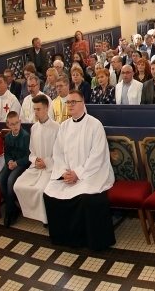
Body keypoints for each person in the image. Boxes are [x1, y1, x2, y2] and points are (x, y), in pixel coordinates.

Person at [43, 90, 116, 251]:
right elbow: (58, 152)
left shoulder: (94, 124)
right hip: (69, 174)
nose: (70, 105)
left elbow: (98, 155)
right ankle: (64, 238)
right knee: (50, 192)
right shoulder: (64, 126)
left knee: (85, 196)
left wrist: (78, 173)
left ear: (82, 103)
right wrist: (64, 172)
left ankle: (85, 239)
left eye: (73, 102)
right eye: (67, 102)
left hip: (92, 173)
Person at [14, 95, 59, 224]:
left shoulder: (56, 128)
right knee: (18, 185)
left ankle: (45, 219)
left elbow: (60, 153)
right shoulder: (34, 128)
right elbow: (32, 152)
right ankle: (31, 213)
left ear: (46, 109)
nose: (36, 112)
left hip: (50, 167)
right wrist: (35, 161)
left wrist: (46, 162)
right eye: (34, 109)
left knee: (40, 190)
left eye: (38, 109)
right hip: (36, 166)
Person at [0, 111, 30, 227]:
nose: (15, 126)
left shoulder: (25, 136)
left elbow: (28, 156)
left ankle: (9, 211)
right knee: (0, 179)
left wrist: (17, 163)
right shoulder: (7, 136)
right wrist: (9, 161)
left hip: (22, 164)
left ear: (20, 122)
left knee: (10, 181)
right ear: (8, 125)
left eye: (17, 123)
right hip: (11, 163)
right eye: (12, 124)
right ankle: (12, 206)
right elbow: (7, 153)